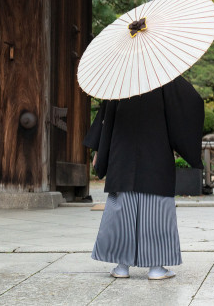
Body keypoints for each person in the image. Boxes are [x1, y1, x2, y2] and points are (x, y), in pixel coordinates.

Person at [84, 76, 204, 280]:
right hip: (155, 154)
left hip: (122, 154)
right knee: (156, 208)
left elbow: (106, 118)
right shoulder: (164, 76)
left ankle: (121, 266)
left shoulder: (119, 79)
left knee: (122, 207)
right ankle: (156, 267)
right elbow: (192, 102)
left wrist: (100, 151)